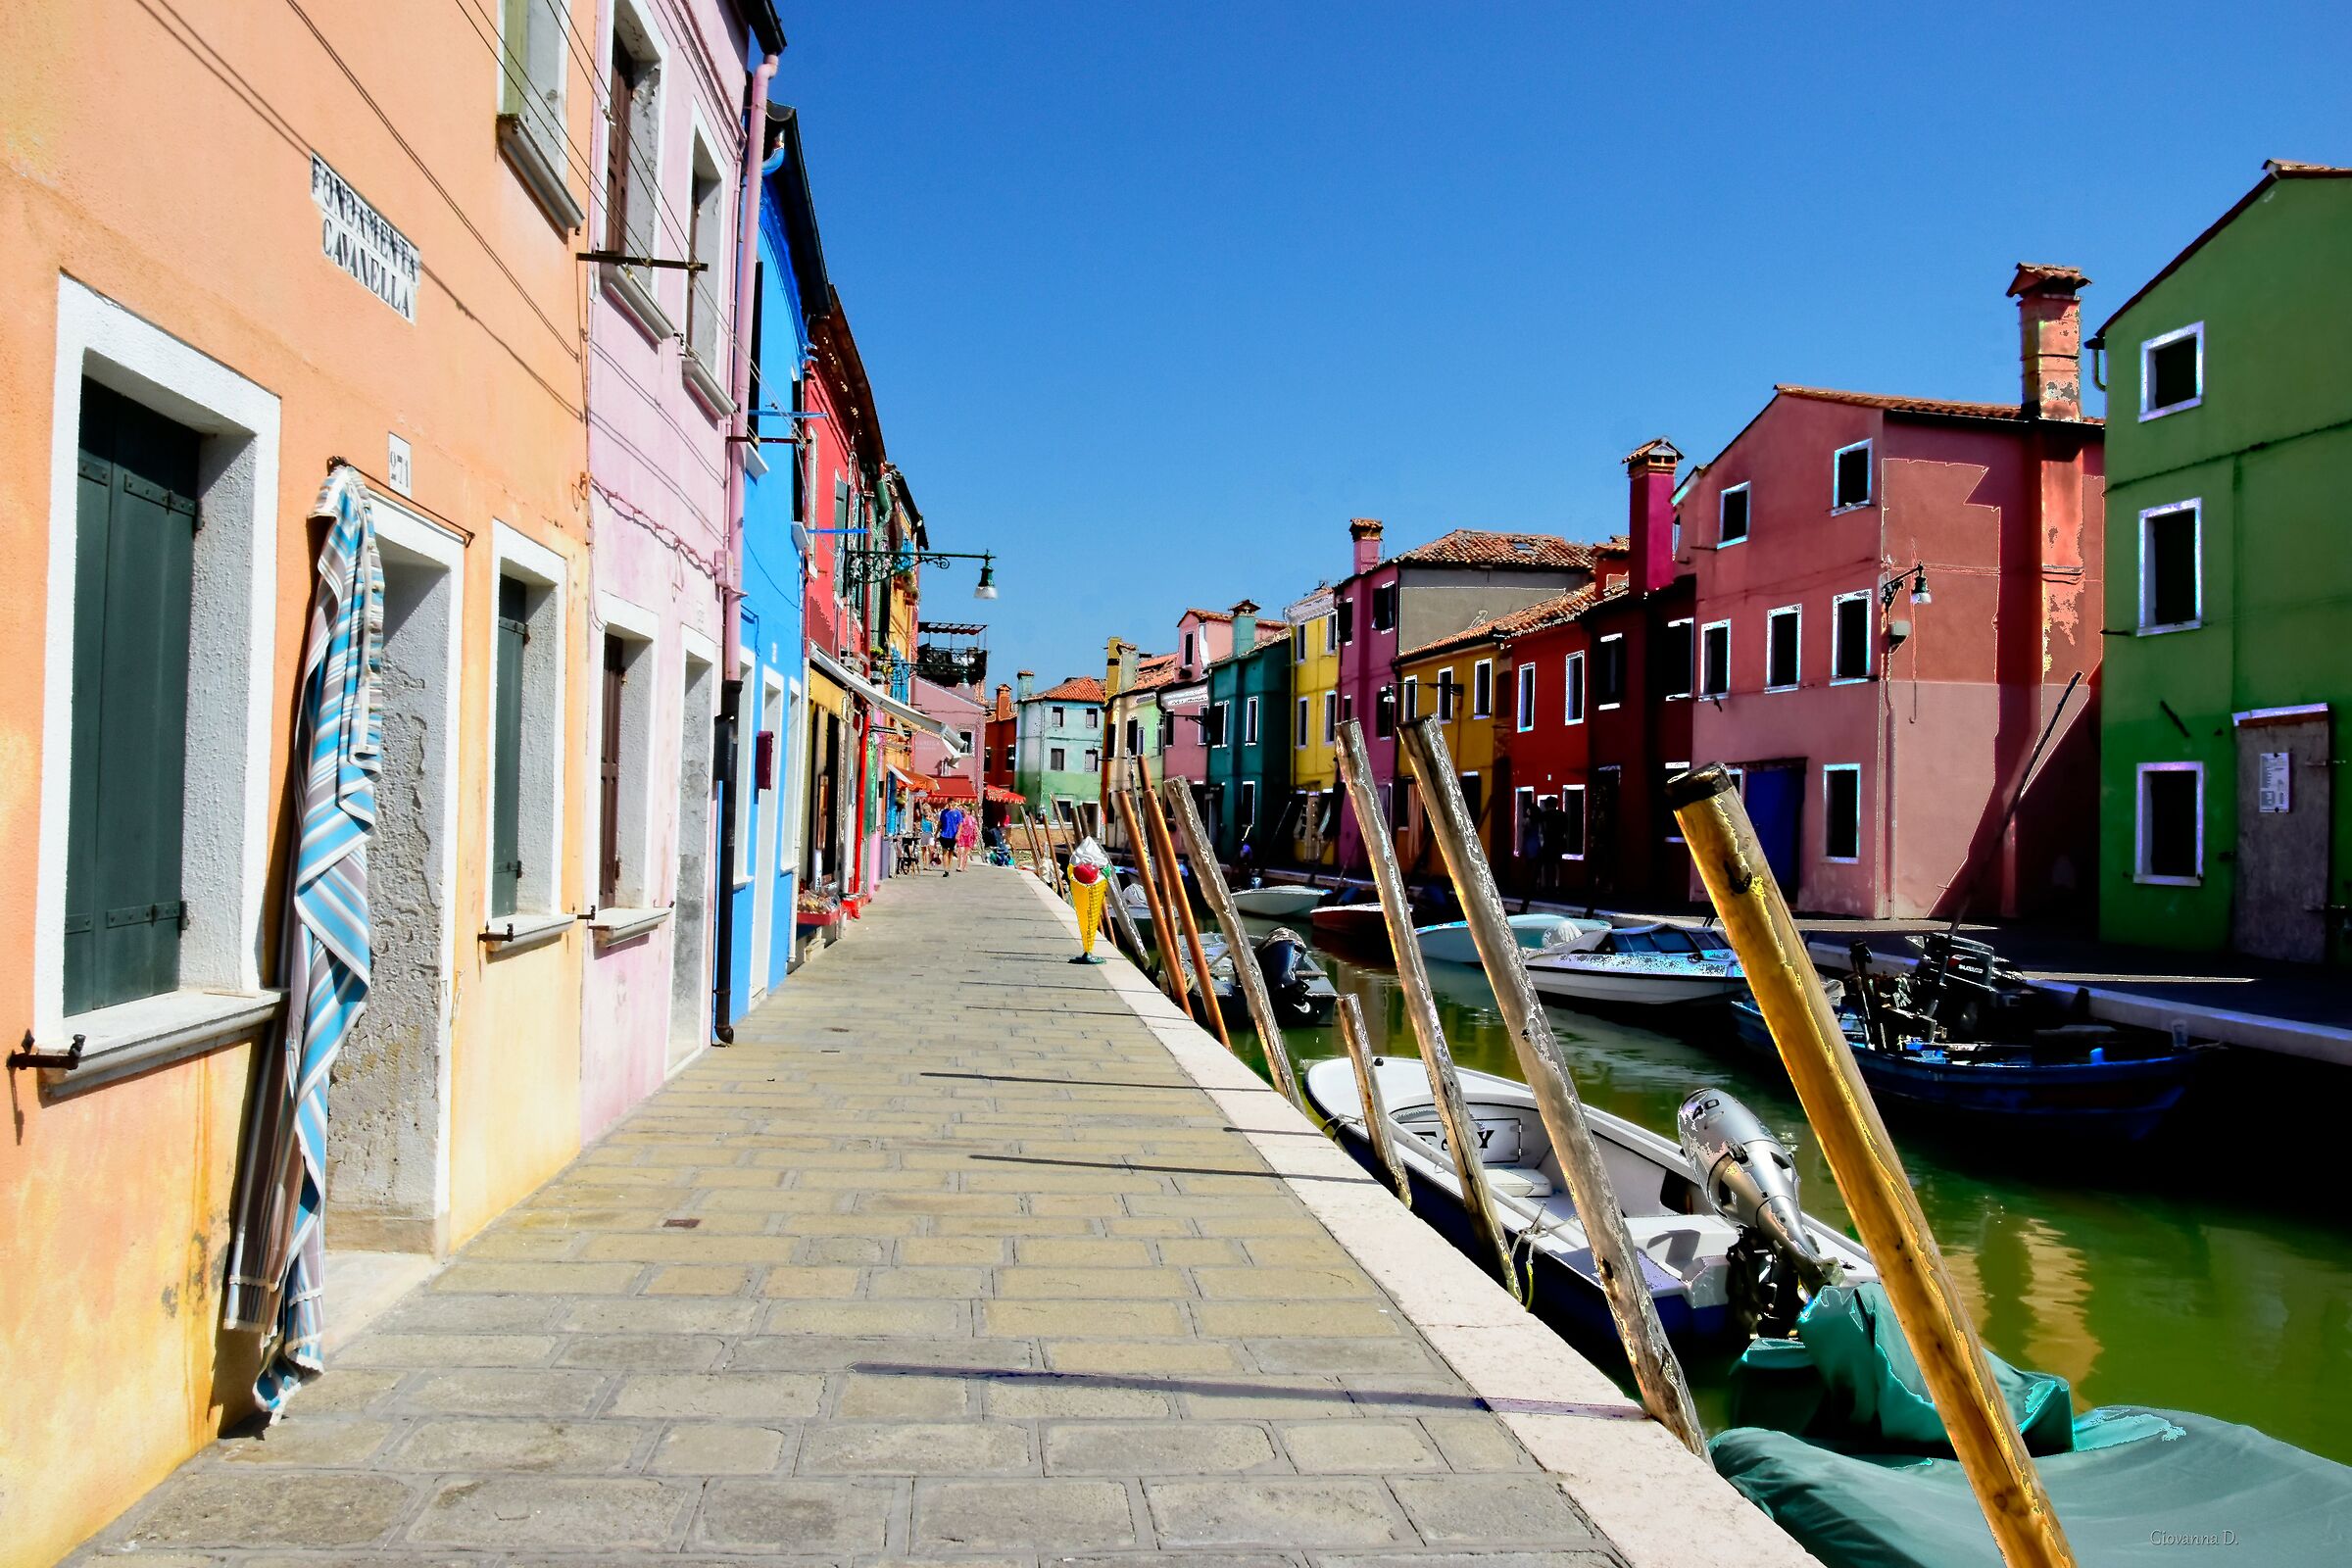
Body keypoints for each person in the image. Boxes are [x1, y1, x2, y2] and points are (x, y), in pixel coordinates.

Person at [936, 803, 965, 876]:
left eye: (951, 803)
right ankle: (946, 869)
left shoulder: (957, 813)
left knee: (951, 852)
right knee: (944, 851)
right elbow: (940, 822)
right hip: (944, 834)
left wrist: (958, 833)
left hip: (953, 835)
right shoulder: (944, 812)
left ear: (954, 804)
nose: (949, 805)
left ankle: (948, 867)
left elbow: (960, 824)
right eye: (948, 803)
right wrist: (936, 832)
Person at [956, 804, 980, 872]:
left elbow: (975, 828)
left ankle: (964, 866)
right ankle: (960, 866)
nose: (962, 811)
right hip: (961, 836)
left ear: (967, 811)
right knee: (960, 851)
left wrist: (977, 836)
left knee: (966, 853)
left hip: (969, 837)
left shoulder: (972, 819)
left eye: (963, 810)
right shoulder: (959, 818)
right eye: (961, 810)